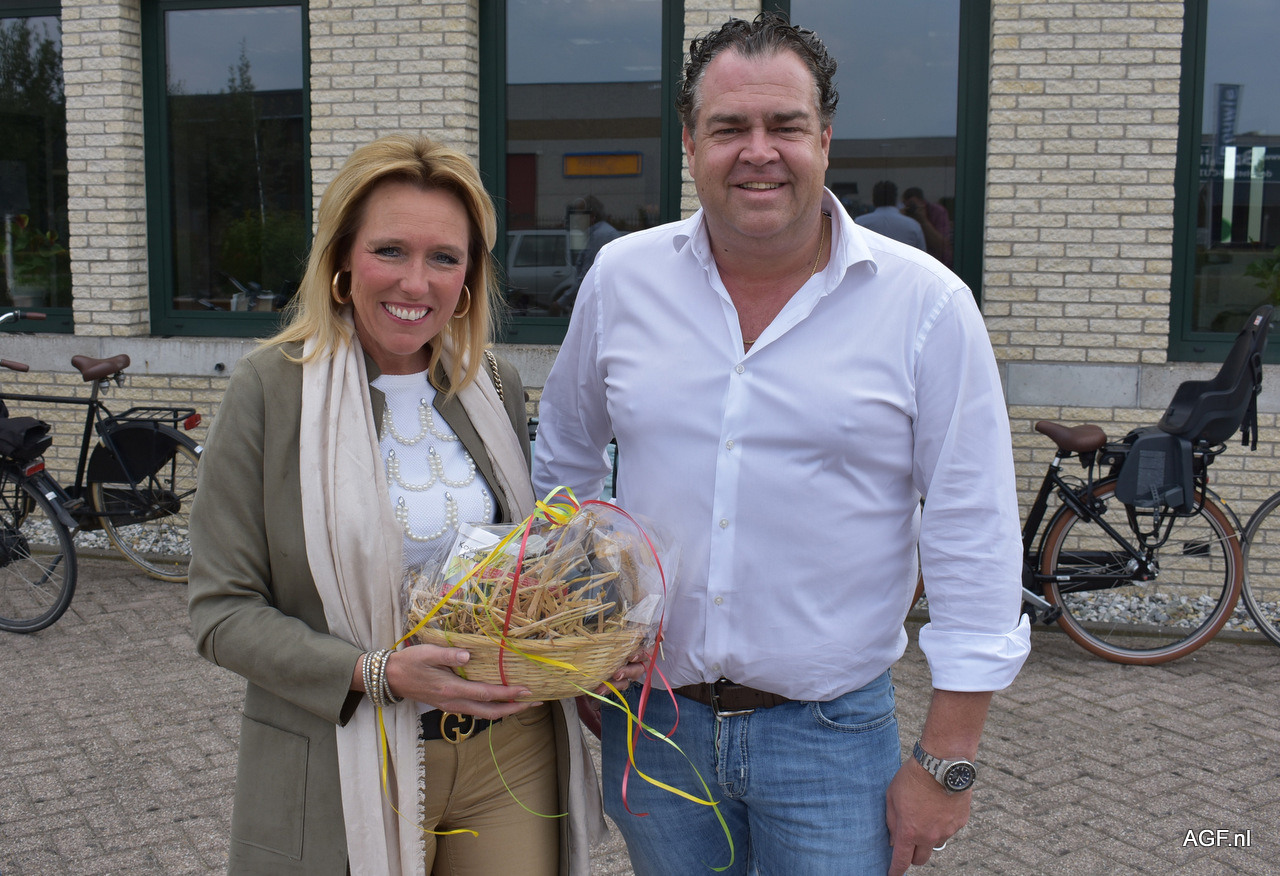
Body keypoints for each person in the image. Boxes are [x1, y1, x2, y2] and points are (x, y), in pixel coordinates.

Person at [533, 12, 1029, 876]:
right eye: (730, 126)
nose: (757, 151)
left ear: (824, 140)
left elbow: (972, 528)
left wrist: (948, 760)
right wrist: (585, 635)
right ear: (691, 144)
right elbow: (567, 458)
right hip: (654, 726)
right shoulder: (622, 280)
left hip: (832, 738)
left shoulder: (926, 306)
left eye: (785, 126)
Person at [188, 134, 605, 876]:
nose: (416, 283)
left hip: (507, 753)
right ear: (342, 260)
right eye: (390, 251)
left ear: (469, 277)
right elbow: (221, 613)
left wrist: (583, 627)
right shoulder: (269, 391)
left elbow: (515, 565)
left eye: (444, 257)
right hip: (348, 753)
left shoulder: (491, 384)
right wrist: (377, 672)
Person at [551, 195, 623, 315]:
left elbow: (587, 276)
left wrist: (561, 302)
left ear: (592, 216)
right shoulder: (598, 233)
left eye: (579, 214)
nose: (575, 218)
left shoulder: (599, 235)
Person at [856, 179, 927, 250]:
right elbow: (922, 252)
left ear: (873, 200)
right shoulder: (913, 225)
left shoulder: (859, 223)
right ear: (895, 199)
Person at [902, 186, 953, 267]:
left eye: (913, 205)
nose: (911, 209)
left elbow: (943, 247)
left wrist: (923, 220)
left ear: (923, 202)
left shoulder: (938, 212)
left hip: (937, 262)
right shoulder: (904, 214)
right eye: (908, 206)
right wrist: (901, 218)